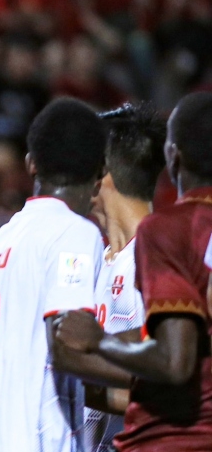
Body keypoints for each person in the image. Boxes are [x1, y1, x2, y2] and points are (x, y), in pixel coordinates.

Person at [55, 92, 212, 450]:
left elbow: (174, 377)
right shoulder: (90, 257)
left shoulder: (157, 250)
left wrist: (75, 371)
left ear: (102, 173)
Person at [0, 97, 109, 452]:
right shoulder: (74, 232)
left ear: (30, 164)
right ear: (101, 172)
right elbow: (68, 346)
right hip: (30, 440)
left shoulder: (5, 235)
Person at [76, 103, 166, 452]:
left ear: (103, 174)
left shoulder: (156, 260)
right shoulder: (97, 259)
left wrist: (57, 378)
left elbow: (171, 388)